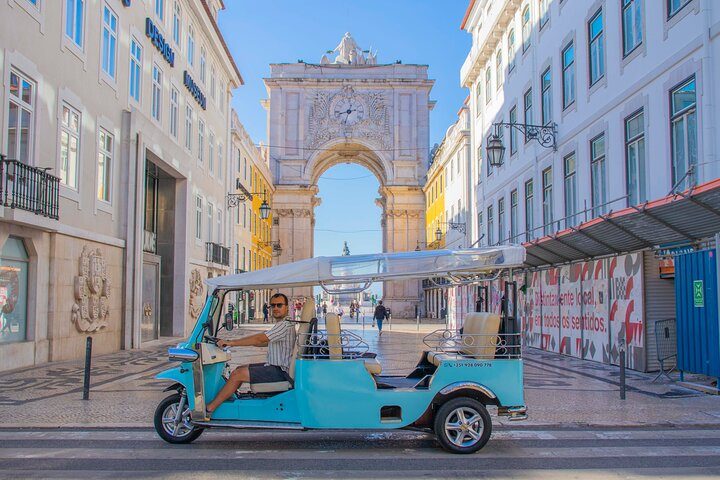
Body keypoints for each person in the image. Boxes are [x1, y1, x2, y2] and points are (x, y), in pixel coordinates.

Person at [205, 293, 295, 419]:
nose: (275, 308)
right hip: (275, 367)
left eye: (279, 305)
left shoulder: (285, 325)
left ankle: (209, 409)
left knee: (237, 375)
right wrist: (239, 342)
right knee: (238, 369)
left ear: (286, 307)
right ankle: (228, 399)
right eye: (273, 305)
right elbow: (262, 341)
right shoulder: (284, 324)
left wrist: (232, 342)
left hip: (280, 371)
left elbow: (259, 339)